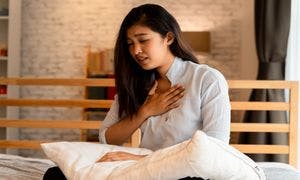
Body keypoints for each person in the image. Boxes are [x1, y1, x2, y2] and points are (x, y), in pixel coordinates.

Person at [44, 3, 230, 180]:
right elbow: (107, 138)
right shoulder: (135, 83)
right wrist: (145, 111)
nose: (136, 50)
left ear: (169, 38)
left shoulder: (207, 79)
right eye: (130, 43)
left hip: (183, 172)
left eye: (143, 40)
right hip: (142, 171)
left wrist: (141, 160)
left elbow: (214, 151)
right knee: (56, 175)